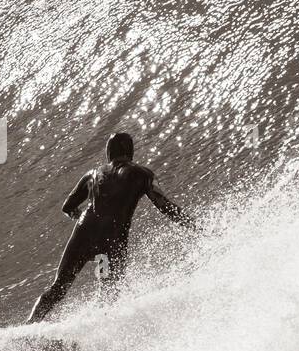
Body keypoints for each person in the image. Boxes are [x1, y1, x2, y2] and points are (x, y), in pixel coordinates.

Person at [26, 132, 196, 323]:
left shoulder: (92, 174)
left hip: (84, 234)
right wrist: (193, 226)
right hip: (111, 241)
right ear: (130, 151)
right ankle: (95, 330)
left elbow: (68, 207)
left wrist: (85, 222)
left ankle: (28, 325)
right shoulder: (143, 174)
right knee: (109, 294)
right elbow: (164, 204)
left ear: (109, 152)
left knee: (58, 287)